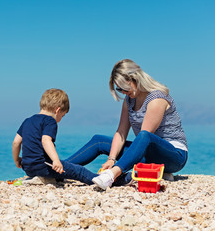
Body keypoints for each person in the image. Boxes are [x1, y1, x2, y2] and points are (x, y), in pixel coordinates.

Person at [65, 59, 188, 190]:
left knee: (144, 136)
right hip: (146, 151)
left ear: (136, 79)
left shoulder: (157, 98)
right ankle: (58, 168)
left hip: (174, 156)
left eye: (124, 87)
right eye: (119, 89)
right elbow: (121, 133)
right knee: (98, 141)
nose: (123, 92)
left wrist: (115, 167)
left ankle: (112, 175)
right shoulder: (129, 101)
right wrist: (111, 159)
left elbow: (145, 137)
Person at [12, 88, 99, 185]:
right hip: (43, 166)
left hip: (28, 168)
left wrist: (17, 160)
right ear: (58, 110)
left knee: (63, 172)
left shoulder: (27, 121)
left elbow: (16, 142)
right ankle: (102, 180)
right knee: (79, 171)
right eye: (63, 115)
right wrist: (56, 160)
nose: (61, 119)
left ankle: (45, 179)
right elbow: (46, 141)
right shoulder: (50, 121)